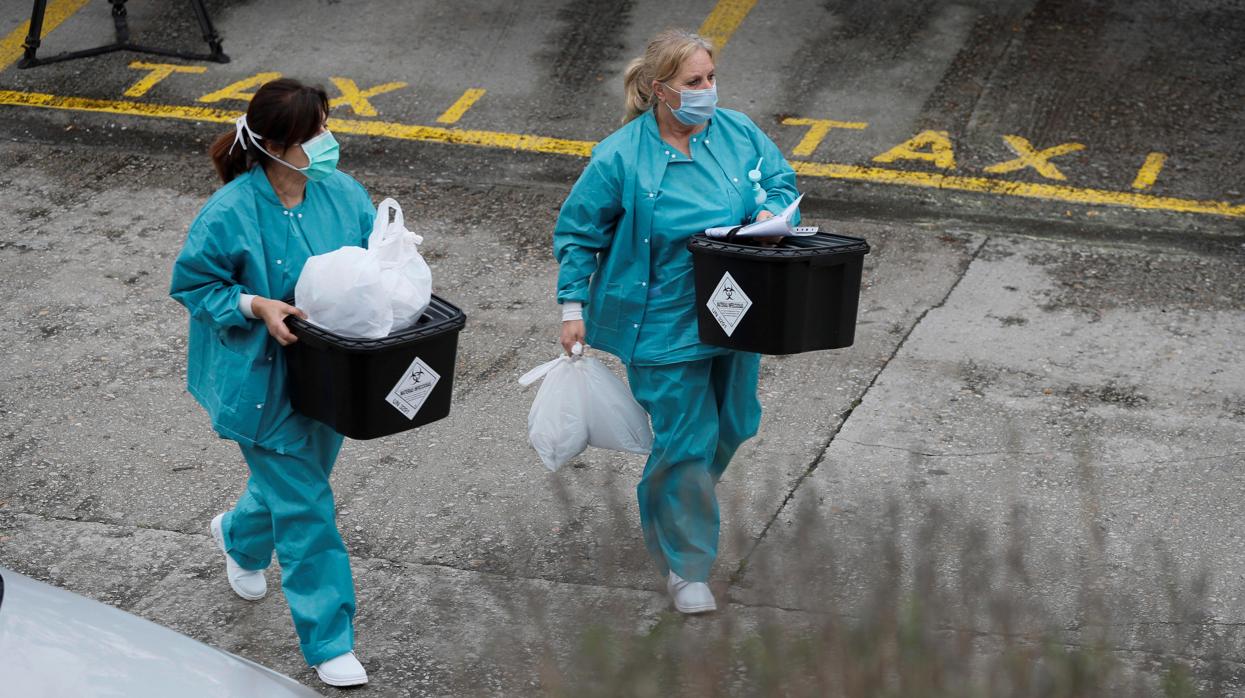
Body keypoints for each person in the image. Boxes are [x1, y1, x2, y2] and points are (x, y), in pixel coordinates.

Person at [552, 29, 801, 613]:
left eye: (711, 78)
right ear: (660, 90)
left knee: (736, 423)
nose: (708, 91)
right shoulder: (619, 157)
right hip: (661, 322)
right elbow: (577, 233)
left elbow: (783, 182)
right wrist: (571, 308)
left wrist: (771, 209)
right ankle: (686, 566)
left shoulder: (738, 131)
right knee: (687, 438)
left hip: (737, 312)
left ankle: (668, 496)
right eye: (694, 82)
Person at [169, 78, 374, 687]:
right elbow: (195, 286)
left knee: (298, 482)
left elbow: (369, 262)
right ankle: (330, 641)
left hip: (331, 374)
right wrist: (255, 305)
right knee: (308, 507)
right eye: (318, 132)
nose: (329, 141)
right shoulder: (229, 212)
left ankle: (239, 536)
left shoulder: (344, 193)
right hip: (257, 380)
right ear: (280, 143)